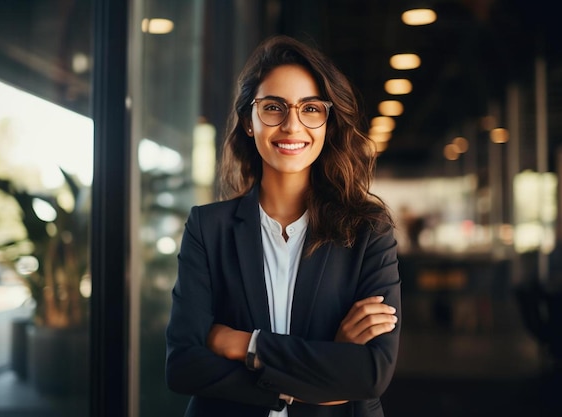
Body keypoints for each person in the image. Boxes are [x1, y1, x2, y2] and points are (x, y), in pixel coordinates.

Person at [166, 34, 401, 417]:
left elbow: (370, 373)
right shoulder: (208, 228)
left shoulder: (367, 230)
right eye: (274, 107)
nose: (292, 126)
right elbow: (183, 367)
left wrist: (246, 345)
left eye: (310, 109)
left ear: (327, 122)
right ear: (248, 121)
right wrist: (327, 365)